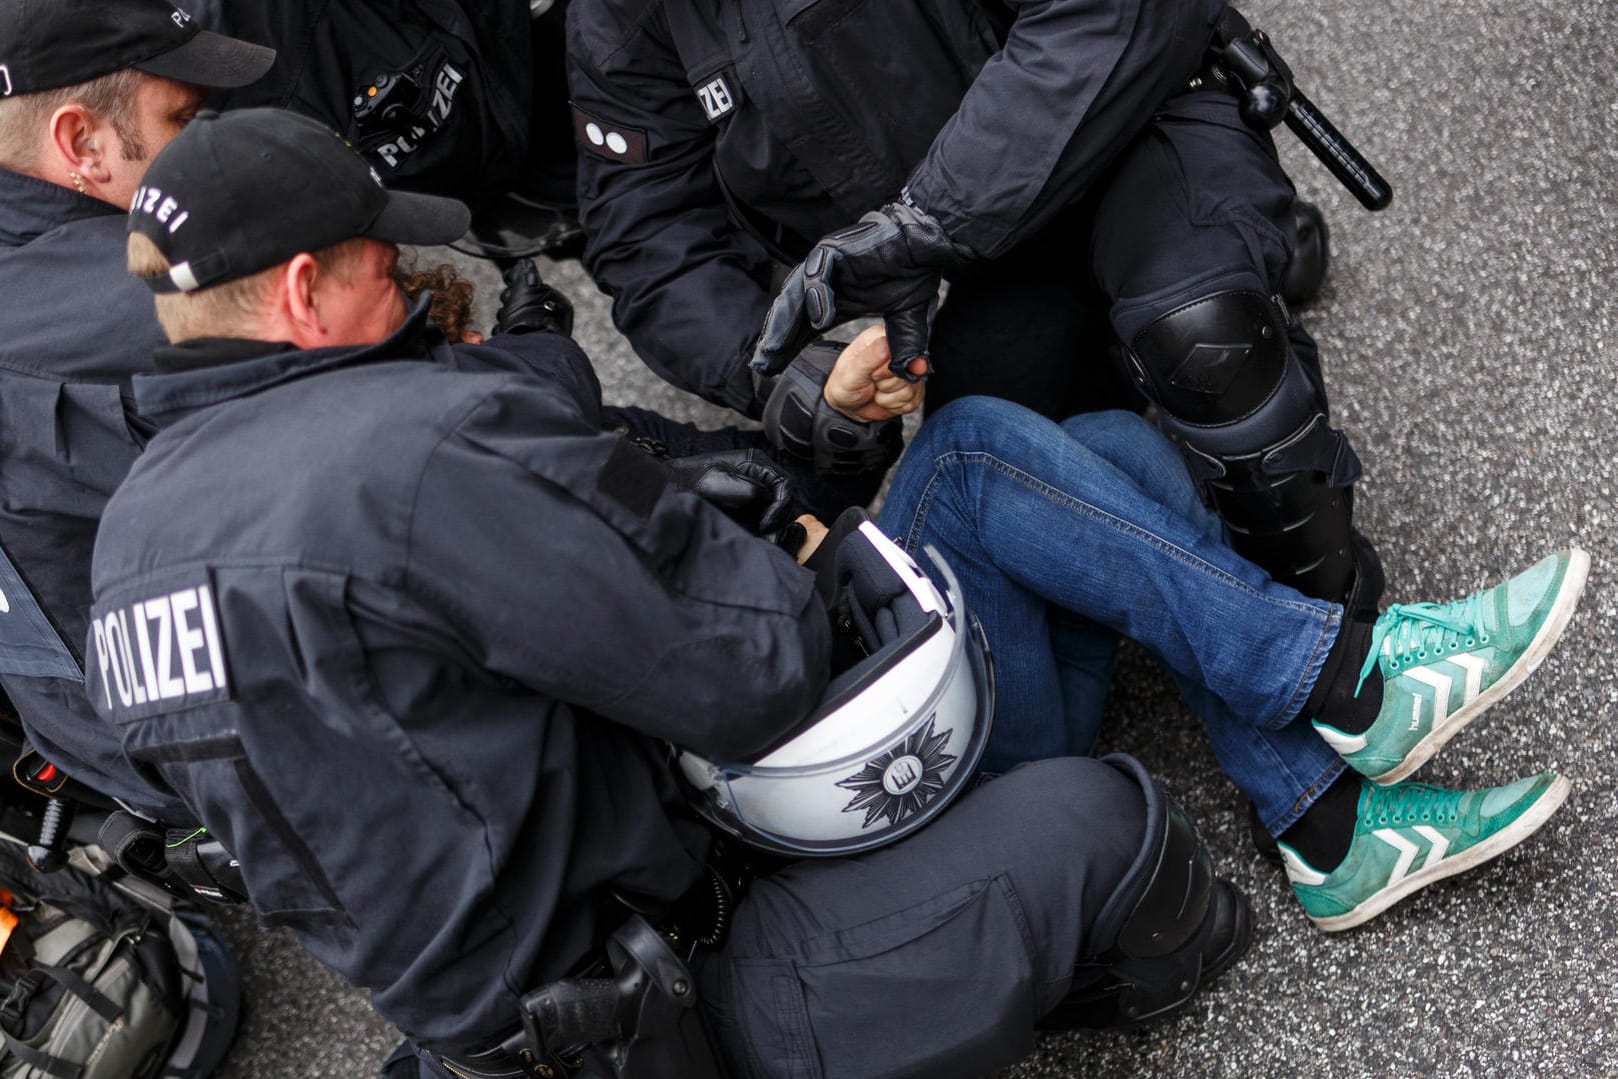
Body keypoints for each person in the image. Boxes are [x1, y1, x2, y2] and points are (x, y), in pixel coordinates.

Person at [97, 107, 1576, 1076]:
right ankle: (1343, 707)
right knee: (1107, 806)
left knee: (1095, 447)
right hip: (680, 970)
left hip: (525, 975)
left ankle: (1332, 779)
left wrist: (759, 452)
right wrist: (783, 535)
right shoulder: (401, 449)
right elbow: (749, 664)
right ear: (299, 292)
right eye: (379, 267)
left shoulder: (133, 543)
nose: (412, 286)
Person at [566, 0, 1375, 611]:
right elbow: (646, 233)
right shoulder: (616, 18)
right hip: (977, 254)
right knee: (992, 488)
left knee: (1203, 337)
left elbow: (1112, 15)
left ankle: (1347, 640)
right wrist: (785, 375)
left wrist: (925, 224)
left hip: (1133, 119)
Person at [0, 0, 274, 815]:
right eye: (180, 120)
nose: (205, 144)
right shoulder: (154, 301)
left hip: (102, 740)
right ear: (81, 143)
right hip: (265, 750)